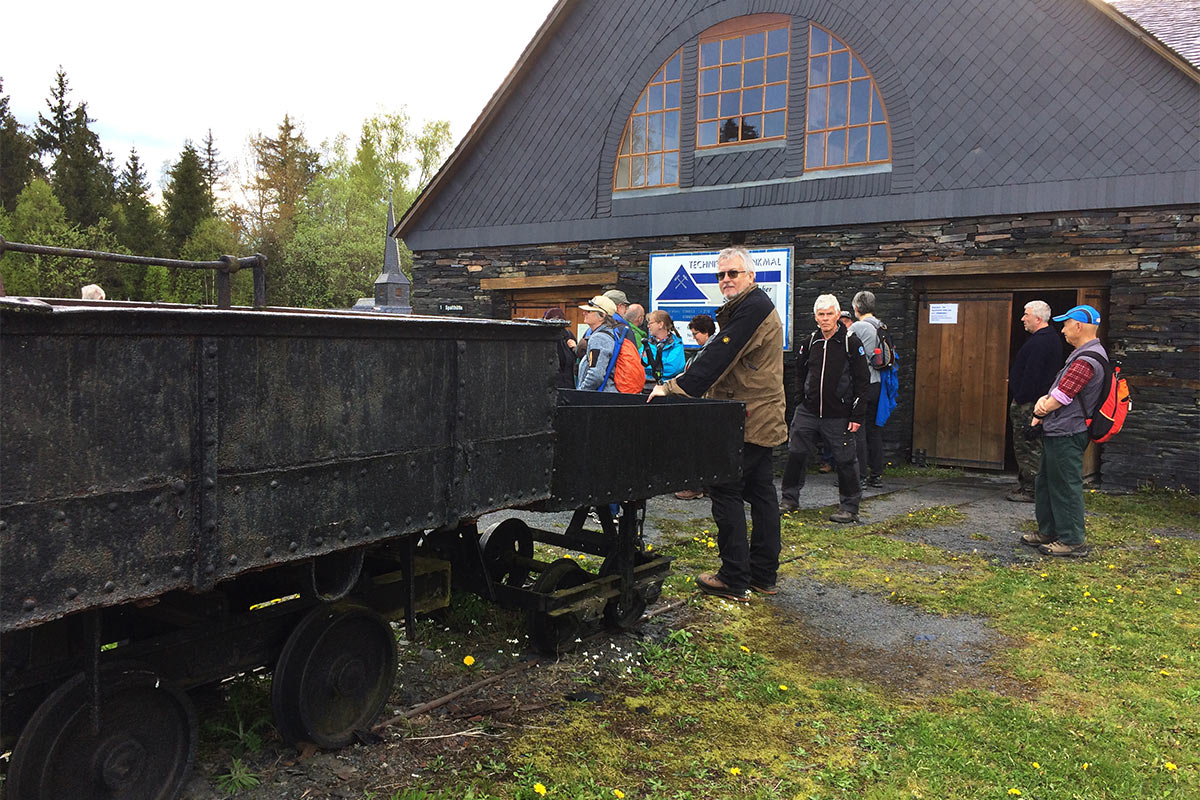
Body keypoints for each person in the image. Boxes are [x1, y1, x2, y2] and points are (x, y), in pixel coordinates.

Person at [648, 246, 786, 601]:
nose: (726, 279)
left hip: (748, 416)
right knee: (761, 492)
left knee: (725, 489)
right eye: (721, 274)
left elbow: (718, 354)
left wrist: (673, 389)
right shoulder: (749, 307)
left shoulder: (752, 308)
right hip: (758, 413)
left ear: (750, 276)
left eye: (733, 273)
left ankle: (734, 577)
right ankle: (763, 575)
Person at [1020, 304, 1107, 558]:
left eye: (1066, 324)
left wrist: (1041, 410)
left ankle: (1072, 539)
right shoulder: (1084, 354)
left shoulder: (1086, 359)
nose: (1063, 330)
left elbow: (1063, 395)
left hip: (1068, 431)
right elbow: (1061, 390)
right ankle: (1048, 531)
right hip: (1060, 430)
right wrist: (1045, 400)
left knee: (1065, 485)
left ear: (1078, 326)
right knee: (1046, 482)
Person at [780, 295, 870, 523]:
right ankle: (789, 499)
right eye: (821, 314)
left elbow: (862, 380)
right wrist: (800, 400)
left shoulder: (851, 343)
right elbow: (800, 373)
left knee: (846, 460)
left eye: (830, 314)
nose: (826, 318)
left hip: (839, 414)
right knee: (796, 454)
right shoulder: (810, 342)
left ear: (838, 315)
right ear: (815, 317)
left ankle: (849, 507)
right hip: (808, 411)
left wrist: (857, 414)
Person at [1007, 300, 1065, 502]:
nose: (1022, 318)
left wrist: (1021, 396)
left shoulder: (1041, 342)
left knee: (1028, 445)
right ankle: (1028, 485)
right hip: (1033, 400)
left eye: (1026, 315)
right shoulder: (1047, 339)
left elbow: (1033, 374)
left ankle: (1031, 490)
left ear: (1038, 319)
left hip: (1030, 403)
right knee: (1028, 443)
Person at [849, 291, 887, 488]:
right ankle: (876, 475)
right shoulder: (880, 326)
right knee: (874, 431)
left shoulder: (857, 327)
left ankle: (860, 476)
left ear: (856, 308)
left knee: (858, 430)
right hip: (878, 383)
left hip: (862, 385)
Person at [575, 295, 621, 392]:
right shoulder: (610, 333)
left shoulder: (599, 338)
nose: (584, 313)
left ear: (602, 316)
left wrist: (581, 392)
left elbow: (596, 375)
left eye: (589, 311)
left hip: (600, 396)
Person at [641, 309, 685, 387]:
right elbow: (640, 366)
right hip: (646, 386)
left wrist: (653, 365)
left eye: (650, 323)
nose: (648, 326)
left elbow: (673, 369)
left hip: (668, 388)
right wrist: (662, 363)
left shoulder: (677, 344)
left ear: (660, 324)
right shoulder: (646, 344)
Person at [543, 307, 578, 390]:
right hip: (551, 387)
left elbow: (576, 358)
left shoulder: (568, 336)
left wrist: (575, 348)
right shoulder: (544, 338)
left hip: (569, 385)